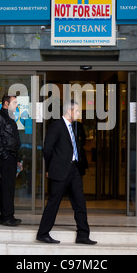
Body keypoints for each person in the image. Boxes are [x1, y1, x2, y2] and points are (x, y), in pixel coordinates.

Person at [36, 100, 97, 245]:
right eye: (76, 111)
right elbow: (47, 150)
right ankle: (42, 233)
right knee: (54, 202)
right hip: (59, 170)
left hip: (74, 170)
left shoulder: (72, 127)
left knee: (80, 202)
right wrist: (50, 168)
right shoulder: (56, 126)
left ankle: (82, 234)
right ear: (69, 111)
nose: (78, 114)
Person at [0, 94, 23, 226]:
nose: (16, 105)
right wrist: (5, 155)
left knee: (9, 187)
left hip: (11, 156)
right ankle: (5, 217)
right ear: (5, 103)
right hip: (6, 156)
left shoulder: (10, 117)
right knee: (6, 187)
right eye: (14, 102)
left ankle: (9, 215)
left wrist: (16, 158)